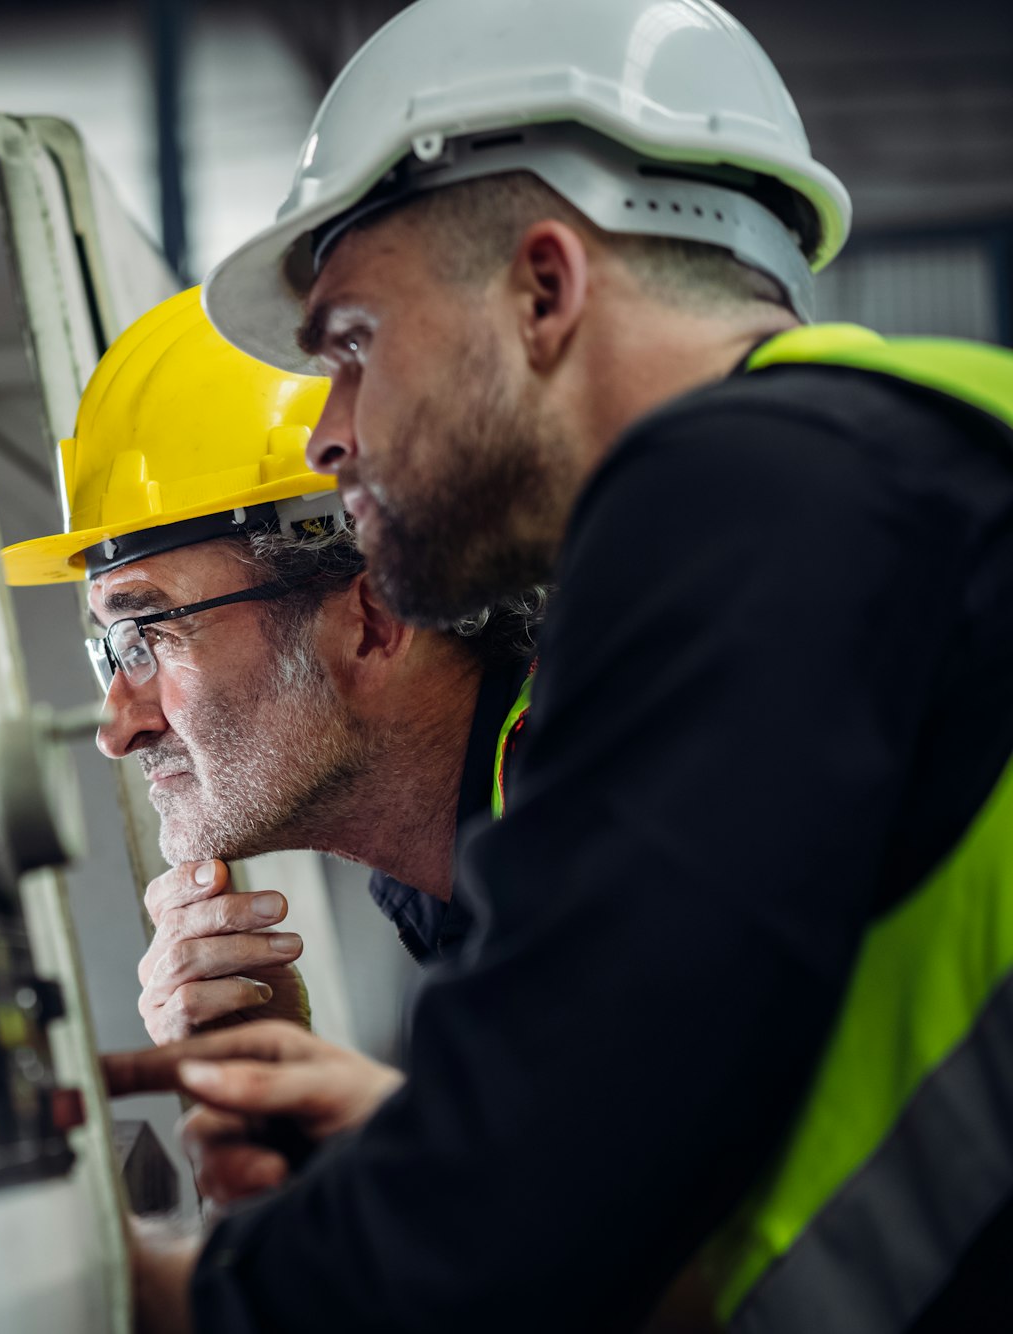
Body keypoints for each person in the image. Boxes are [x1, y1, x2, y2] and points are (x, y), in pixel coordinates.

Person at [105, 1, 1013, 1331]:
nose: (330, 436)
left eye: (352, 344)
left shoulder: (742, 490)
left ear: (544, 288)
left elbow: (517, 1228)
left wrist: (127, 1295)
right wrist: (415, 1150)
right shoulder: (896, 472)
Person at [0, 288, 541, 1045]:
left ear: (374, 624)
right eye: (114, 652)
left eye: (147, 634)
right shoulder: (483, 887)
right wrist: (284, 1095)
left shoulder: (617, 837)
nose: (117, 728)